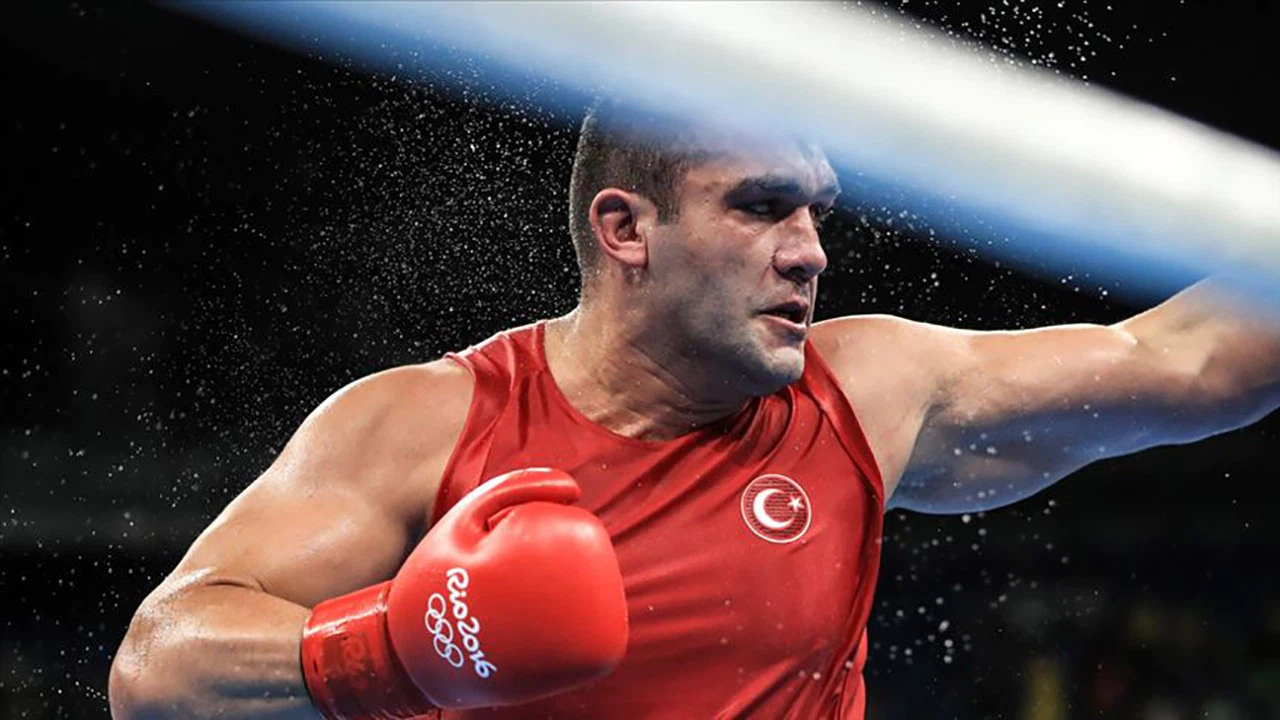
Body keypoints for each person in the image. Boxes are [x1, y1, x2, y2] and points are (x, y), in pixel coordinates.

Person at [108, 101, 1280, 719]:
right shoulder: (426, 423)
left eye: (815, 212)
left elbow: (1185, 361)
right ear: (626, 229)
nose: (808, 251)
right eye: (761, 208)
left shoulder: (865, 393)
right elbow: (159, 669)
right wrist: (402, 650)